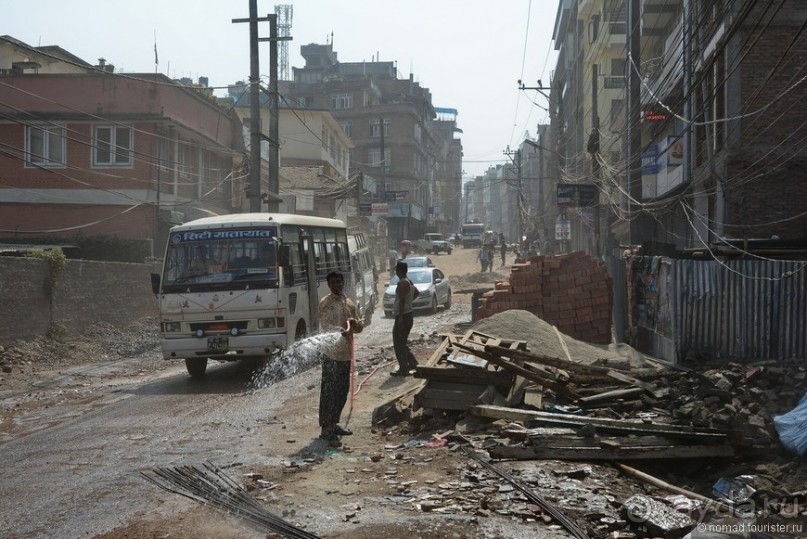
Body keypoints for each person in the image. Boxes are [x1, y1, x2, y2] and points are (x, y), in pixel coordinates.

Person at [317, 271, 364, 445]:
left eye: (339, 282)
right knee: (328, 392)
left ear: (343, 282)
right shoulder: (326, 303)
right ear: (328, 285)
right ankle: (325, 428)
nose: (336, 285)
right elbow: (326, 325)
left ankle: (334, 423)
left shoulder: (349, 303)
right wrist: (340, 331)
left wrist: (355, 323)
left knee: (342, 391)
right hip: (331, 354)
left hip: (345, 354)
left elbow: (359, 326)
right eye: (333, 282)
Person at [391, 261, 419, 377]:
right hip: (408, 315)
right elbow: (416, 293)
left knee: (398, 343)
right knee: (402, 342)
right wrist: (409, 303)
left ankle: (403, 369)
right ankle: (412, 363)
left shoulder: (402, 283)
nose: (395, 272)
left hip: (403, 316)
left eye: (396, 269)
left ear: (399, 270)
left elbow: (402, 300)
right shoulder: (409, 281)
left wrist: (401, 318)